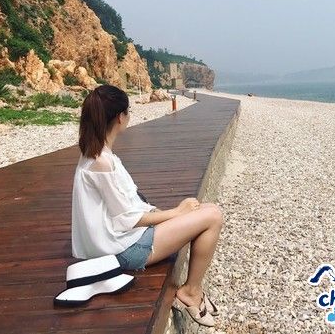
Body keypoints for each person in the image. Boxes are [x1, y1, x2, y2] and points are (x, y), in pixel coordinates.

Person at [71, 84, 222, 326]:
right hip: (124, 249)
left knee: (206, 209)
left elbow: (125, 208)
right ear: (120, 117)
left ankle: (194, 290)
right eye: (128, 111)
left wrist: (165, 214)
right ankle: (191, 292)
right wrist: (176, 212)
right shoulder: (102, 163)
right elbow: (128, 219)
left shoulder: (94, 154)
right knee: (213, 216)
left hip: (120, 240)